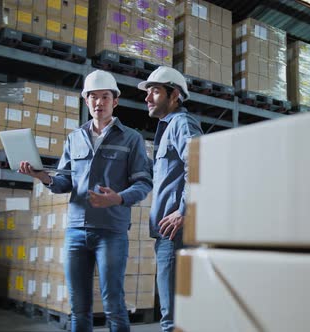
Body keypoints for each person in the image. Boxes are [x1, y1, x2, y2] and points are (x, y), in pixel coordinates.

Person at [19, 69, 152, 332]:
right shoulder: (74, 138)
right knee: (78, 307)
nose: (98, 102)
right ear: (86, 101)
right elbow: (64, 184)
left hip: (111, 232)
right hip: (76, 232)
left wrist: (118, 198)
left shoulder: (131, 139)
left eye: (105, 97)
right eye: (93, 97)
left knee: (113, 303)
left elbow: (143, 183)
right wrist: (43, 177)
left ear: (115, 101)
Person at [137, 66, 203, 332]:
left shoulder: (182, 124)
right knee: (172, 313)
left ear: (174, 94)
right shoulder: (167, 128)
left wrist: (183, 210)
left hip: (175, 231)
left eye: (154, 91)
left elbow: (200, 166)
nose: (147, 98)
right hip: (166, 232)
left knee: (172, 317)